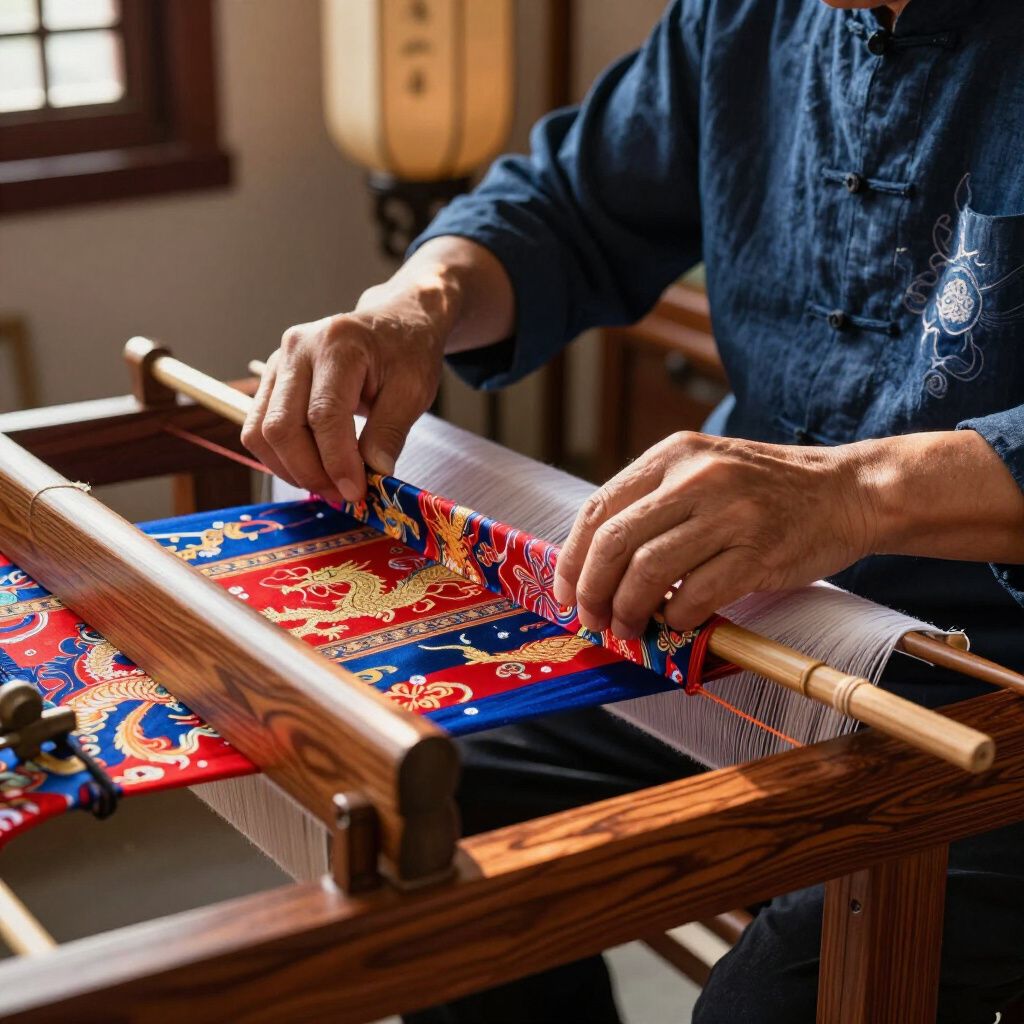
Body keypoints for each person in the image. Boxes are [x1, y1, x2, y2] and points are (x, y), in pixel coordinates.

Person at [243, 0, 1024, 1019]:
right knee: (430, 816)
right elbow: (567, 206)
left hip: (987, 676)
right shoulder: (748, 19)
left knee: (789, 989)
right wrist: (415, 303)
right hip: (749, 628)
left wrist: (851, 492)